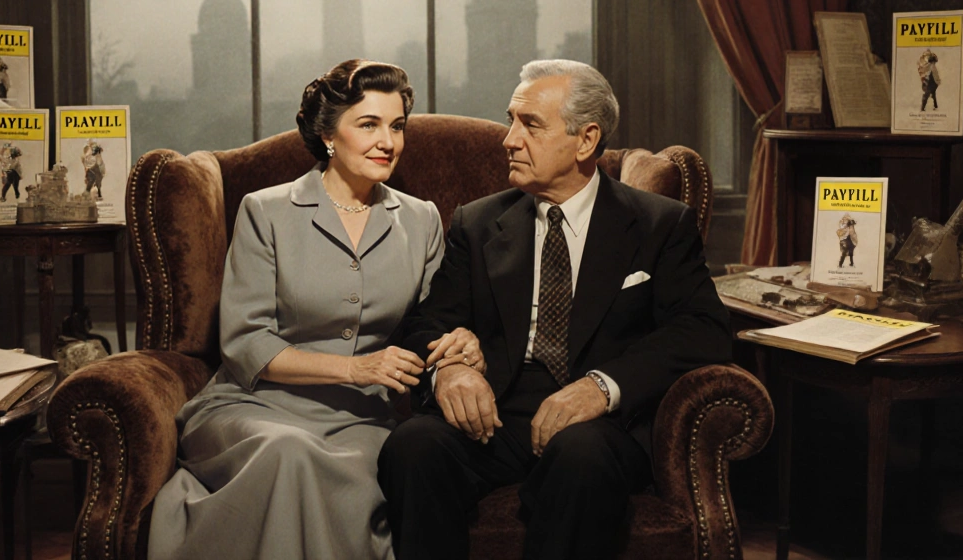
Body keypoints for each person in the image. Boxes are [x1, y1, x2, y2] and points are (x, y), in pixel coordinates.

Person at [378, 59, 732, 559]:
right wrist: (450, 370)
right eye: (511, 120)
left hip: (599, 424)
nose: (509, 139)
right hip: (494, 416)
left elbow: (704, 329)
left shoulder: (658, 224)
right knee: (412, 447)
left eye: (531, 125)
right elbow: (426, 322)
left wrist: (602, 386)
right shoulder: (478, 224)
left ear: (586, 140)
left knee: (582, 457)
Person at [147, 59, 482, 560]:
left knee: (368, 466)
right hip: (254, 407)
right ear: (329, 135)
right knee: (289, 453)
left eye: (397, 126)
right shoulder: (267, 210)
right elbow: (246, 342)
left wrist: (461, 344)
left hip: (365, 422)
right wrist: (356, 367)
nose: (387, 141)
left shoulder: (422, 219)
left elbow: (432, 322)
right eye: (368, 125)